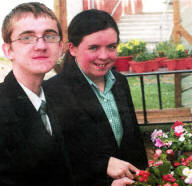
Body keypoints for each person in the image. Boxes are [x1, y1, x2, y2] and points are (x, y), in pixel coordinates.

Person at [44, 9, 148, 186]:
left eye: (111, 47)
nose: (104, 56)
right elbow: (59, 157)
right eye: (93, 47)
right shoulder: (53, 91)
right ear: (73, 48)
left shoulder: (120, 82)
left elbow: (133, 140)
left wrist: (143, 176)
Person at [0, 2, 74, 186]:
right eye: (27, 37)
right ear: (8, 50)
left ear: (60, 46)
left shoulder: (55, 98)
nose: (41, 45)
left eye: (49, 36)